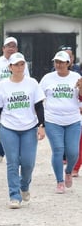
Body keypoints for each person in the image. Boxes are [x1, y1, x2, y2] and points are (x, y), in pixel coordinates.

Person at [0, 52, 45, 209]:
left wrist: (42, 125)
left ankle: (24, 186)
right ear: (10, 67)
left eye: (22, 64)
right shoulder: (3, 85)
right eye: (16, 64)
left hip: (29, 127)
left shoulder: (32, 83)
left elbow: (39, 106)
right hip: (8, 127)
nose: (19, 67)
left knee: (28, 163)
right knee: (12, 162)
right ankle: (14, 195)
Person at [39, 51, 81, 194]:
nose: (59, 65)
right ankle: (59, 181)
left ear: (68, 63)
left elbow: (80, 97)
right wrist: (40, 122)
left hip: (73, 120)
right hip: (53, 119)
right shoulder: (47, 78)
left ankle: (68, 171)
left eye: (62, 62)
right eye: (56, 62)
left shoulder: (76, 77)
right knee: (58, 149)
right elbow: (38, 98)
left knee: (73, 152)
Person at [0, 36, 30, 163]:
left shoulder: (22, 63)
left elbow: (27, 79)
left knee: (11, 123)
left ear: (16, 48)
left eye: (13, 46)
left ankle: (13, 151)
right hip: (0, 97)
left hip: (16, 98)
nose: (11, 48)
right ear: (3, 48)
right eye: (8, 46)